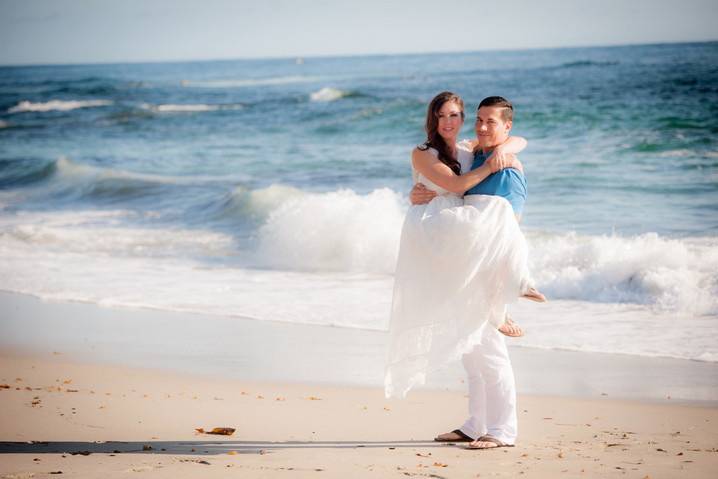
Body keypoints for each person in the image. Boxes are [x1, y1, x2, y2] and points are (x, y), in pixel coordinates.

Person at [385, 92, 540, 451]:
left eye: (455, 115)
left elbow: (514, 142)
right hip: (446, 251)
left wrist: (507, 150)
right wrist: (418, 194)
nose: (449, 122)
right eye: (442, 116)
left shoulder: (481, 154)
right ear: (433, 119)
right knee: (471, 345)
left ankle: (503, 430)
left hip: (471, 256)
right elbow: (455, 186)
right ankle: (476, 424)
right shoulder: (441, 153)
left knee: (486, 347)